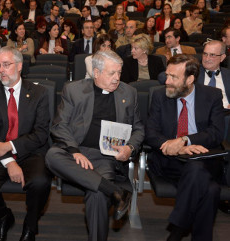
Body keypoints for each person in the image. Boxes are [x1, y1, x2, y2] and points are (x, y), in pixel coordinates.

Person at [46, 50, 144, 241]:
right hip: (76, 152)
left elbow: (139, 129)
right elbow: (59, 125)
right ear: (96, 73)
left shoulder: (129, 92)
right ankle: (115, 191)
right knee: (52, 155)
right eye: (111, 73)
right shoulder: (73, 90)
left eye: (119, 73)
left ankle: (108, 192)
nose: (117, 78)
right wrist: (74, 151)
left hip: (105, 157)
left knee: (97, 195)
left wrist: (129, 148)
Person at [0, 46, 52, 241]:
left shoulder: (39, 93)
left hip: (32, 151)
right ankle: (1, 218)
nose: (1, 70)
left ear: (19, 66)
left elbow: (41, 133)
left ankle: (30, 225)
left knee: (40, 183)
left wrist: (10, 146)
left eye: (6, 65)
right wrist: (9, 161)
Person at [145, 54, 224, 241]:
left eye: (174, 77)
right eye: (167, 75)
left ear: (189, 79)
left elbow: (217, 133)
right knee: (211, 190)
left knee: (197, 168)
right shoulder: (159, 95)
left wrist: (185, 140)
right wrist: (175, 147)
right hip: (170, 161)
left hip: (203, 160)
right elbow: (151, 133)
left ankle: (178, 227)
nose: (167, 82)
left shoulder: (212, 96)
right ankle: (182, 230)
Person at [197, 40, 230, 109]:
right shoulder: (193, 73)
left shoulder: (228, 75)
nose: (207, 58)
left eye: (212, 55)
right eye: (205, 54)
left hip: (226, 114)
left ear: (222, 57)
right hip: (202, 115)